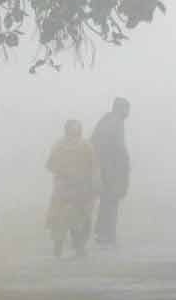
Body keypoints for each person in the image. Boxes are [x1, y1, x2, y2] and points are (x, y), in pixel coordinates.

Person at [46, 119, 100, 258]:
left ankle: (76, 247)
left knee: (77, 219)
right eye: (72, 130)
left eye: (75, 131)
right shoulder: (61, 145)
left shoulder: (83, 145)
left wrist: (94, 183)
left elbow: (93, 166)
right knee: (65, 219)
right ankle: (63, 247)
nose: (73, 135)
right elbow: (51, 164)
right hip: (67, 189)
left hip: (78, 189)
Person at [92, 98, 131, 246]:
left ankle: (103, 234)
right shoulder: (114, 123)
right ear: (120, 109)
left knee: (107, 202)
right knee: (110, 202)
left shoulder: (107, 121)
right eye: (127, 109)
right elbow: (117, 148)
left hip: (108, 169)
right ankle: (106, 235)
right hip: (111, 171)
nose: (128, 113)